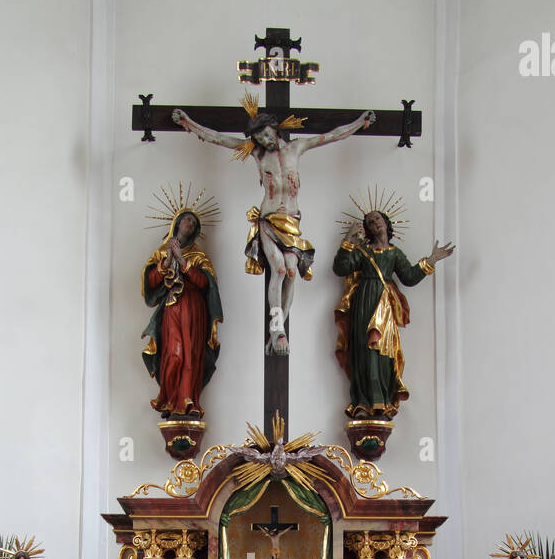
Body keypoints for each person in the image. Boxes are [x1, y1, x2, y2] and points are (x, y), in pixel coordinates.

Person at [172, 103, 375, 354]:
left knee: (291, 273)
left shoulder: (296, 148)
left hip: (292, 221)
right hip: (268, 220)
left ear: (275, 129)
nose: (266, 141)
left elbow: (332, 135)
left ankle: (280, 330)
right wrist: (189, 124)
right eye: (259, 138)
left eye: (267, 134)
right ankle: (276, 329)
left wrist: (359, 123)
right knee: (278, 269)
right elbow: (219, 138)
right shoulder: (258, 155)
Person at [333, 211, 454, 417]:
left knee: (382, 351)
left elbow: (409, 277)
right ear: (367, 229)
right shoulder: (363, 251)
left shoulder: (395, 254)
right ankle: (363, 401)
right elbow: (340, 267)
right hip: (364, 303)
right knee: (364, 350)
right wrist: (348, 241)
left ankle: (383, 398)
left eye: (377, 219)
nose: (374, 223)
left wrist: (432, 260)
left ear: (386, 223)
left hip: (385, 306)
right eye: (370, 222)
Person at [141, 209, 222, 417]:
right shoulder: (161, 252)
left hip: (193, 309)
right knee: (174, 354)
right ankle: (169, 400)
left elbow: (205, 283)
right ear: (177, 223)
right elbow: (150, 283)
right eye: (187, 220)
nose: (190, 224)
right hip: (171, 309)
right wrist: (168, 261)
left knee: (191, 355)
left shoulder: (199, 256)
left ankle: (188, 402)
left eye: (194, 223)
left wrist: (182, 261)